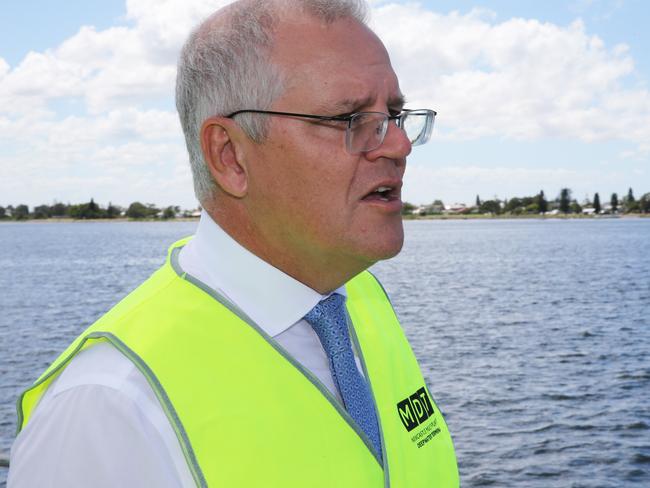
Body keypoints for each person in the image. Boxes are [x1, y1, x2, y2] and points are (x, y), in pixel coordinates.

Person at [8, 0, 458, 486]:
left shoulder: (364, 302)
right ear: (230, 157)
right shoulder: (109, 410)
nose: (398, 145)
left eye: (392, 114)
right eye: (348, 118)